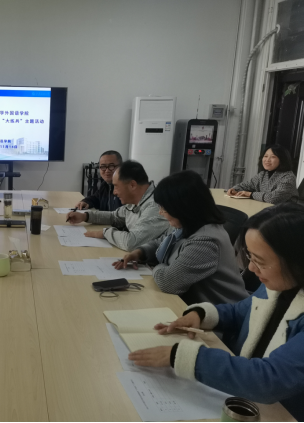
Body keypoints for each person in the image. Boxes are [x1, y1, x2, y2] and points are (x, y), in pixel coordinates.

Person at [127, 203, 304, 422]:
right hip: (243, 397)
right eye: (250, 257)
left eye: (260, 261)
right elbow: (241, 312)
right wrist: (200, 315)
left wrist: (185, 357)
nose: (251, 268)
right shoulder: (280, 284)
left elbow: (269, 380)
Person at [115, 171, 248, 305]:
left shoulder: (206, 242)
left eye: (164, 208)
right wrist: (140, 252)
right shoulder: (188, 224)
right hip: (190, 304)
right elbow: (163, 242)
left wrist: (155, 266)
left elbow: (168, 282)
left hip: (218, 312)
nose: (160, 212)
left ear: (182, 208)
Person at [66, 161, 169, 252]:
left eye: (116, 186)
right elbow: (114, 217)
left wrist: (105, 233)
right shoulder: (135, 201)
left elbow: (131, 242)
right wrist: (85, 216)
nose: (114, 192)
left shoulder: (155, 206)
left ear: (132, 185)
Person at [227, 144, 298, 204]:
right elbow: (247, 185)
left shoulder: (288, 177)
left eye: (273, 157)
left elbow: (274, 198)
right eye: (265, 156)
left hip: (284, 213)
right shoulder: (263, 174)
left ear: (282, 160)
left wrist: (250, 194)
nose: (267, 160)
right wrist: (234, 189)